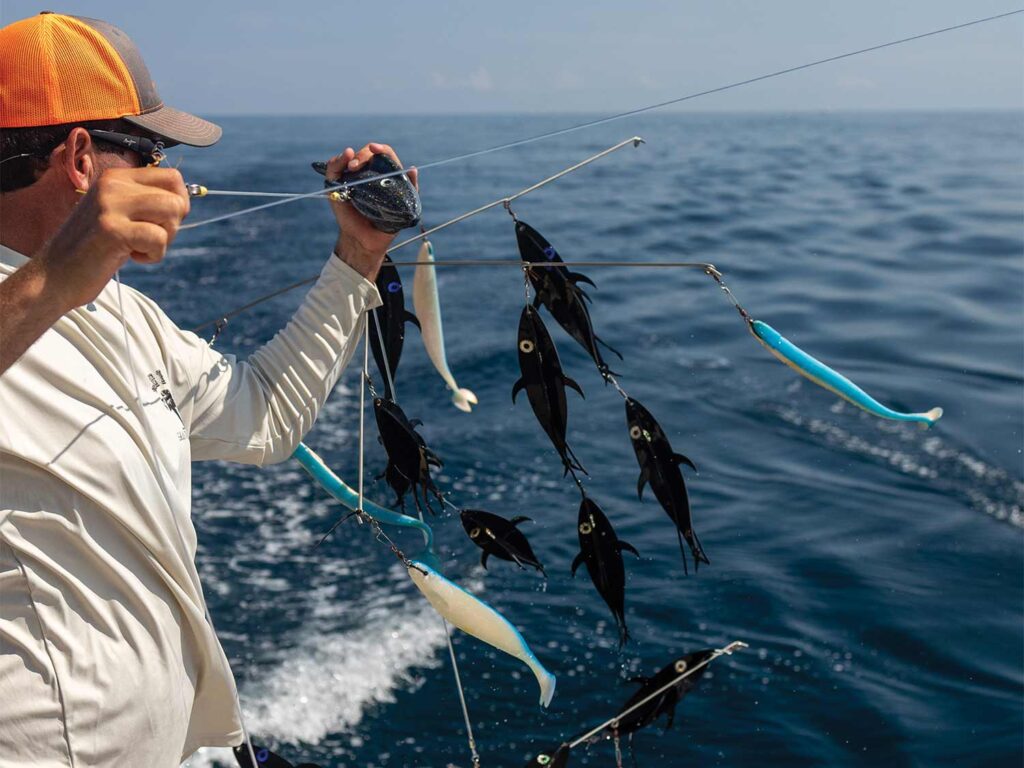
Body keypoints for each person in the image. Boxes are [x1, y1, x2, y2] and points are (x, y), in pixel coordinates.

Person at [0, 12, 414, 767]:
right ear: (83, 158)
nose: (172, 176)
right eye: (152, 152)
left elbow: (263, 419)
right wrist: (56, 277)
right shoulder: (50, 294)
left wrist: (358, 254)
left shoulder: (120, 310)